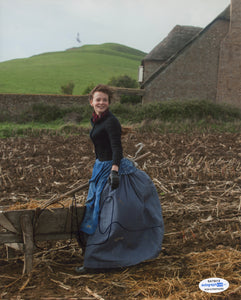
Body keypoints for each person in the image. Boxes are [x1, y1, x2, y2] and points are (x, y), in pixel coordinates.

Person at [75, 84, 164, 273]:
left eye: (104, 100)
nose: (101, 102)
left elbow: (117, 149)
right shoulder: (96, 121)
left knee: (109, 215)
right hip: (100, 168)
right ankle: (95, 252)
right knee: (94, 210)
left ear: (109, 102)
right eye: (98, 99)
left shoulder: (111, 121)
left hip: (112, 169)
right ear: (91, 102)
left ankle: (99, 261)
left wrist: (114, 172)